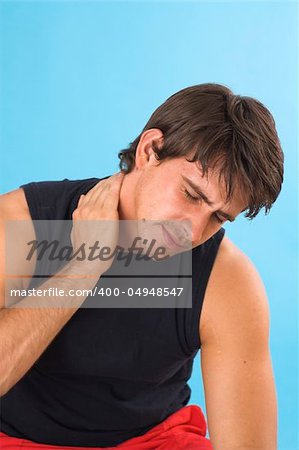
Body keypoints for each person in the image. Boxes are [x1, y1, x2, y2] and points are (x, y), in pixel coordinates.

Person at [0, 83, 283, 449]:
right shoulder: (23, 223)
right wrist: (84, 267)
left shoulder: (227, 280)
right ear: (150, 150)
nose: (194, 230)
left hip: (152, 441)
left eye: (218, 217)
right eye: (191, 194)